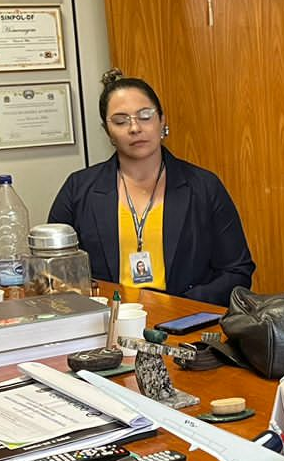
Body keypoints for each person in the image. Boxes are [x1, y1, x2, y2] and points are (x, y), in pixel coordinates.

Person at [49, 69, 254, 303]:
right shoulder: (79, 189)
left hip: (186, 323)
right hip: (108, 323)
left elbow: (237, 272)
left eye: (145, 116)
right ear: (108, 131)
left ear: (162, 120)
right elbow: (53, 273)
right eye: (120, 121)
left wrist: (180, 308)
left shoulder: (203, 187)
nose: (135, 128)